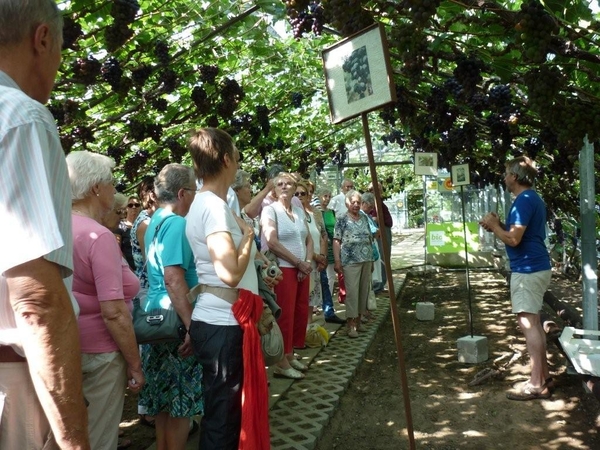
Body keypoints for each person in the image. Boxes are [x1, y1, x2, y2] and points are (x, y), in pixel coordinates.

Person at [0, 1, 90, 448]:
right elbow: (36, 302)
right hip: (12, 387)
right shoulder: (21, 118)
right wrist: (74, 440)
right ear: (42, 39)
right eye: (60, 48)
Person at [186, 128, 269, 450]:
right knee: (224, 419)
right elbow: (229, 273)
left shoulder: (205, 203)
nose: (238, 163)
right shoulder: (214, 207)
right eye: (236, 156)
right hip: (223, 323)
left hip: (220, 320)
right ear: (224, 160)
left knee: (224, 413)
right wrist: (248, 237)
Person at [67, 150, 144, 449]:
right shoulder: (97, 237)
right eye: (111, 182)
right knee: (99, 436)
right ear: (96, 188)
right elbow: (113, 311)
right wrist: (134, 364)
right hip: (100, 353)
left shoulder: (57, 227)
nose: (115, 189)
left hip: (66, 346)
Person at [139, 164, 203, 450]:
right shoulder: (177, 223)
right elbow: (173, 278)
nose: (196, 195)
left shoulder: (155, 221)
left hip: (156, 319)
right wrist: (191, 326)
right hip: (176, 320)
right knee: (181, 405)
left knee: (164, 401)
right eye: (193, 190)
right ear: (182, 193)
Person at [480, 156, 552, 401]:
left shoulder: (524, 201)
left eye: (505, 173)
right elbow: (516, 234)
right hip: (536, 266)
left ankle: (536, 384)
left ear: (515, 176)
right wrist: (498, 224)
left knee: (528, 324)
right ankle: (544, 375)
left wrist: (494, 224)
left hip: (528, 269)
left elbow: (513, 239)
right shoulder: (531, 199)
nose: (503, 177)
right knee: (534, 321)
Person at [261, 172, 314, 379]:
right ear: (274, 189)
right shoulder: (269, 211)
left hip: (302, 269)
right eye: (280, 184)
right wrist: (298, 263)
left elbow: (308, 239)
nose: (284, 187)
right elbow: (272, 241)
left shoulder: (299, 212)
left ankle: (290, 354)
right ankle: (281, 363)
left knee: (299, 312)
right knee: (285, 314)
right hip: (284, 269)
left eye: (288, 184)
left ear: (295, 188)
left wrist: (307, 263)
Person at [333, 190, 374, 338]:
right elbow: (336, 240)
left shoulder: (364, 217)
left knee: (363, 291)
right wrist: (337, 261)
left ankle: (359, 321)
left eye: (358, 202)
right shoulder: (342, 219)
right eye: (353, 202)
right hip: (350, 261)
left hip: (366, 259)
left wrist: (372, 258)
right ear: (347, 203)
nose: (356, 205)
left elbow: (370, 238)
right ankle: (350, 325)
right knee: (352, 293)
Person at [295, 180, 327, 321]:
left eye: (303, 193)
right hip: (302, 262)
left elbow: (324, 235)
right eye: (296, 194)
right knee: (300, 299)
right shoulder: (293, 214)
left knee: (311, 299)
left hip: (316, 264)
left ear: (309, 196)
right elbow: (301, 241)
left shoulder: (316, 213)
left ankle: (308, 328)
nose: (300, 196)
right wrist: (315, 256)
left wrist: (322, 257)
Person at [316, 187, 345, 324]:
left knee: (331, 277)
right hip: (321, 248)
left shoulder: (332, 212)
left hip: (332, 246)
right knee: (322, 278)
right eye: (324, 196)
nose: (327, 199)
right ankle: (320, 304)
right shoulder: (316, 213)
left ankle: (327, 305)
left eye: (329, 196)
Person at [367, 181, 394, 294]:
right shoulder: (372, 201)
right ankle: (378, 285)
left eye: (380, 189)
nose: (379, 191)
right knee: (381, 256)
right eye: (375, 189)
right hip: (379, 231)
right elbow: (373, 217)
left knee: (385, 256)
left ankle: (381, 284)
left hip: (385, 229)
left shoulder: (379, 201)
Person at [121, 195, 141, 270]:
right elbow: (117, 251)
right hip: (128, 269)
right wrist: (129, 269)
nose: (134, 207)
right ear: (126, 208)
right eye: (130, 205)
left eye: (137, 205)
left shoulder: (143, 224)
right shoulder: (120, 226)